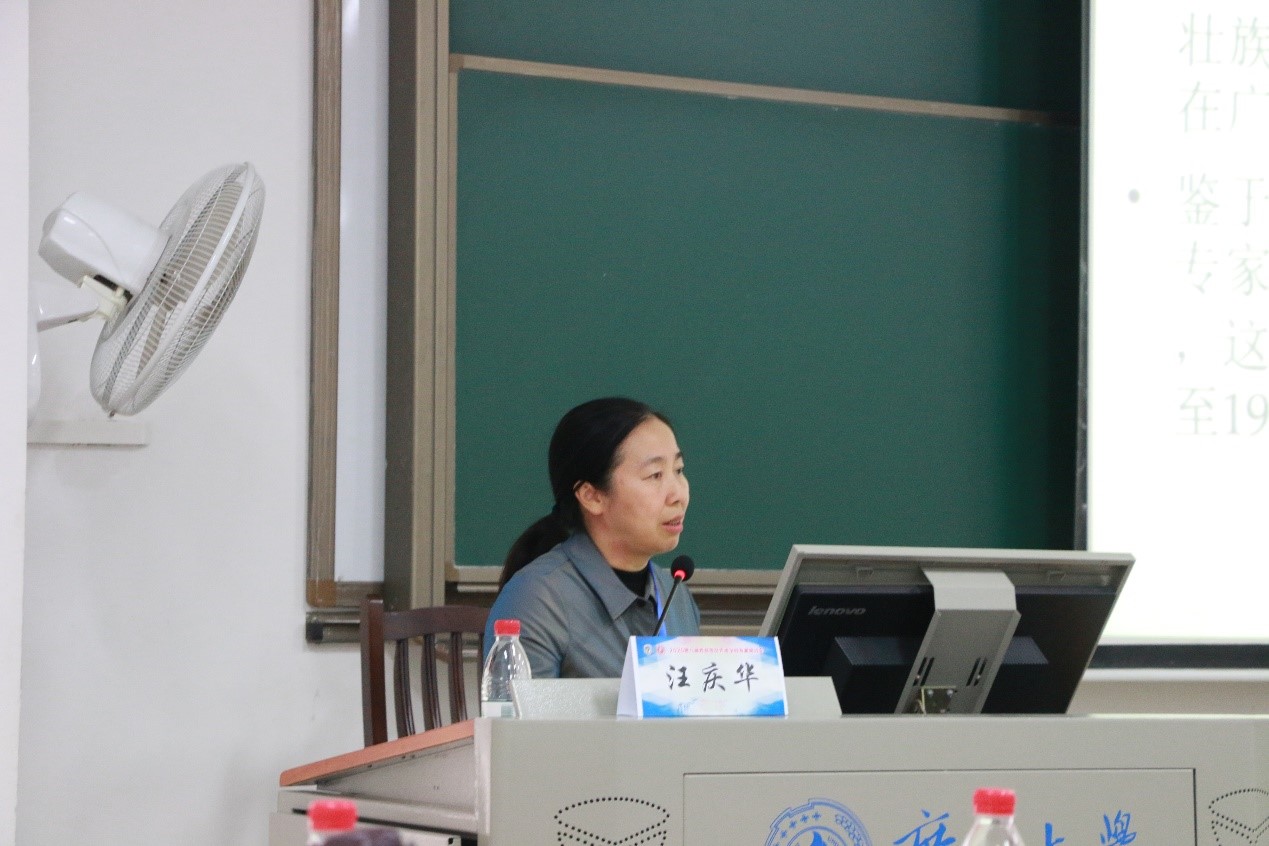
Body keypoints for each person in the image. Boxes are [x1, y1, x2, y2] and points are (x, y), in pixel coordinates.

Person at [484, 397, 701, 678]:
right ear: (592, 496)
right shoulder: (537, 600)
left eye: (679, 470)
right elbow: (518, 708)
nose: (678, 495)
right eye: (655, 475)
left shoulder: (676, 594)